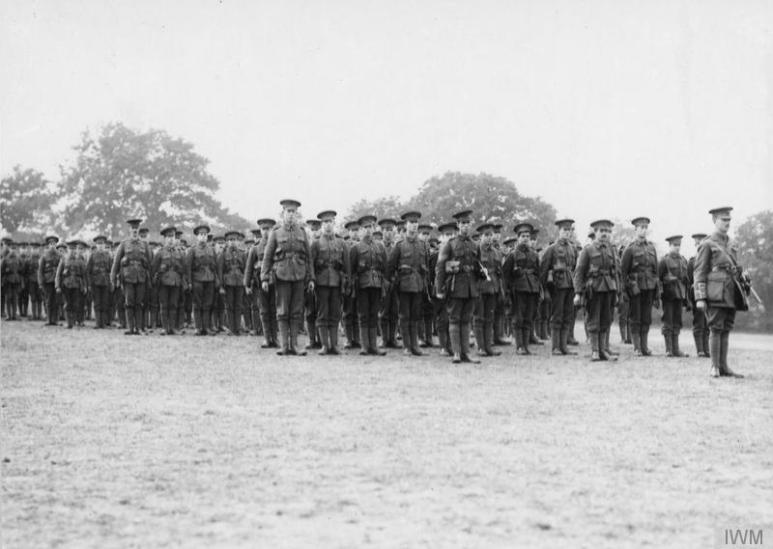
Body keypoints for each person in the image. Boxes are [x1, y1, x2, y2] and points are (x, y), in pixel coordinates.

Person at [693, 207, 749, 378]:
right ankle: (714, 366)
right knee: (716, 328)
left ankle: (724, 367)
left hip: (731, 291)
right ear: (714, 221)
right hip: (715, 291)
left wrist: (744, 275)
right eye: (723, 220)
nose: (727, 223)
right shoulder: (707, 244)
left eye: (729, 220)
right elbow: (699, 272)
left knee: (726, 328)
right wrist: (700, 297)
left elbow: (735, 268)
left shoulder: (732, 243)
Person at [261, 199, 314, 356]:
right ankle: (284, 346)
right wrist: (264, 277)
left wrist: (311, 278)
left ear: (297, 214)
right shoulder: (276, 233)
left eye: (293, 212)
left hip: (299, 275)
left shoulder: (302, 233)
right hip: (282, 275)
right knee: (283, 311)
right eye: (288, 212)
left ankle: (295, 345)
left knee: (296, 311)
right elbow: (267, 257)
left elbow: (309, 258)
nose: (291, 215)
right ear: (283, 214)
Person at [435, 210, 484, 364]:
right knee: (455, 319)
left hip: (471, 288)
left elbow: (479, 265)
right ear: (458, 225)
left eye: (468, 223)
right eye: (463, 223)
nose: (465, 226)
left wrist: (481, 276)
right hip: (455, 286)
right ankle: (456, 352)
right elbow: (440, 268)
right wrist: (439, 289)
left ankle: (466, 353)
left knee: (466, 320)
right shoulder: (450, 244)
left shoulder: (475, 245)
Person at [573, 219, 620, 361]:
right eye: (601, 231)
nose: (604, 234)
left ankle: (603, 351)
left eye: (607, 231)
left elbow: (615, 272)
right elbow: (579, 272)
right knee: (594, 319)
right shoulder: (588, 250)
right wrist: (577, 293)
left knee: (606, 319)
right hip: (593, 289)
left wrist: (617, 292)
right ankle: (595, 351)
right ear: (595, 232)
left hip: (609, 288)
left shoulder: (612, 249)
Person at [387, 211, 430, 356]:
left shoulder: (423, 245)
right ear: (406, 225)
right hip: (404, 286)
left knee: (416, 315)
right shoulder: (399, 245)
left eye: (416, 223)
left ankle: (415, 345)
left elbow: (426, 266)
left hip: (418, 285)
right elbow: (390, 268)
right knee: (405, 316)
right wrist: (395, 281)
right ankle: (407, 346)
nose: (414, 226)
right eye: (411, 223)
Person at [310, 210, 349, 355]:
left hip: (336, 282)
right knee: (322, 313)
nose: (328, 225)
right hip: (321, 283)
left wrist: (347, 281)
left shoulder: (341, 242)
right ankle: (325, 345)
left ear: (334, 223)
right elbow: (311, 265)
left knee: (335, 313)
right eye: (325, 222)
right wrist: (312, 280)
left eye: (330, 222)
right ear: (321, 225)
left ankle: (334, 345)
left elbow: (347, 265)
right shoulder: (316, 243)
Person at [349, 215, 388, 356]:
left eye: (370, 227)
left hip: (377, 284)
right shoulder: (356, 248)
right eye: (365, 227)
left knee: (374, 314)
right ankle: (365, 346)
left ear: (374, 228)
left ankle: (374, 346)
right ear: (360, 230)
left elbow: (384, 267)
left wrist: (383, 282)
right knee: (363, 315)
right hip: (362, 285)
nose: (368, 230)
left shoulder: (380, 247)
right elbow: (351, 270)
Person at [621, 217, 659, 356]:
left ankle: (644, 346)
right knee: (635, 317)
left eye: (645, 227)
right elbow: (623, 272)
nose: (643, 230)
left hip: (649, 287)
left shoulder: (651, 248)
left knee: (646, 318)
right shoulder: (630, 249)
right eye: (640, 227)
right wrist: (625, 291)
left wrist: (657, 291)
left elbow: (656, 271)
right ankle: (636, 347)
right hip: (635, 288)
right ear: (635, 229)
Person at [540, 218, 578, 355]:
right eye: (565, 230)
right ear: (559, 231)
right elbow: (543, 270)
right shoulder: (552, 249)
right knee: (557, 315)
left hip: (569, 285)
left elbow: (574, 268)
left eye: (569, 230)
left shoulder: (573, 248)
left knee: (567, 315)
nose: (567, 233)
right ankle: (556, 347)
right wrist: (544, 290)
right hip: (557, 286)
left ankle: (564, 346)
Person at [503, 222, 541, 355]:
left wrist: (539, 288)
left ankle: (526, 345)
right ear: (518, 237)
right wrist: (507, 293)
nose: (525, 238)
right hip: (518, 290)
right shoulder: (512, 255)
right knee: (518, 318)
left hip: (532, 289)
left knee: (529, 317)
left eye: (527, 236)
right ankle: (519, 346)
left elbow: (538, 272)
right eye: (523, 236)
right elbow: (505, 275)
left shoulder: (534, 254)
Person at [111, 218, 152, 335]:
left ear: (139, 230)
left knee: (139, 302)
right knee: (129, 302)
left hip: (141, 277)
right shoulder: (124, 244)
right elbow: (116, 262)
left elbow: (150, 263)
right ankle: (130, 328)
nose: (135, 231)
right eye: (133, 229)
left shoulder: (144, 244)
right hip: (128, 277)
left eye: (136, 229)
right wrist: (113, 278)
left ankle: (139, 328)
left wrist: (150, 276)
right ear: (129, 230)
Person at [245, 218, 278, 348]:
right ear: (260, 230)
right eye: (263, 229)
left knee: (274, 310)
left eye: (268, 229)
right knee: (264, 311)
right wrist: (247, 284)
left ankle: (274, 338)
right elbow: (248, 268)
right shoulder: (255, 249)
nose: (266, 232)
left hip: (275, 282)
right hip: (260, 284)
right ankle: (266, 337)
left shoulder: (277, 246)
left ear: (272, 230)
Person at [473, 223, 503, 357]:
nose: (489, 238)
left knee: (490, 318)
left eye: (491, 235)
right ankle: (480, 347)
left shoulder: (496, 252)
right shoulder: (475, 251)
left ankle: (488, 346)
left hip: (493, 287)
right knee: (479, 318)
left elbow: (499, 271)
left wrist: (500, 288)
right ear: (480, 236)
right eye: (486, 235)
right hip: (479, 287)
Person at [658, 235, 690, 357]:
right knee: (668, 321)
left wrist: (686, 297)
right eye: (674, 245)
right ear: (669, 246)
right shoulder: (664, 261)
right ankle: (669, 349)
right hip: (668, 295)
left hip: (679, 295)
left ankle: (676, 349)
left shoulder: (683, 260)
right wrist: (660, 294)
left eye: (678, 245)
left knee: (677, 321)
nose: (677, 247)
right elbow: (659, 280)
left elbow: (686, 280)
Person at [153, 226, 187, 335]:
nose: (171, 239)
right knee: (164, 305)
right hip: (163, 282)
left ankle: (172, 328)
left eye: (172, 236)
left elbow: (184, 268)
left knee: (173, 304)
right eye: (168, 237)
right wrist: (160, 270)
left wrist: (180, 272)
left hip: (176, 281)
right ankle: (164, 327)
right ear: (164, 239)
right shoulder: (160, 253)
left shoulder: (180, 253)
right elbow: (153, 268)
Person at [218, 230, 247, 335]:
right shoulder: (223, 255)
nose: (232, 242)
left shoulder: (242, 254)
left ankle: (238, 327)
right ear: (227, 242)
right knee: (229, 306)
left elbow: (245, 269)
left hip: (239, 282)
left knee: (238, 305)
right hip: (228, 283)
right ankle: (231, 328)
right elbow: (220, 271)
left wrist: (246, 283)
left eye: (234, 240)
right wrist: (221, 286)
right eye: (230, 240)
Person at [687, 233, 710, 358]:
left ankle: (706, 349)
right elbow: (689, 281)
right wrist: (691, 300)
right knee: (698, 323)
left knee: (707, 324)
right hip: (697, 295)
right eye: (697, 242)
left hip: (710, 294)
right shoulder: (692, 261)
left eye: (701, 242)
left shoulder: (710, 260)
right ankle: (700, 350)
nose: (699, 244)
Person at [55, 240, 88, 329]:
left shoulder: (80, 261)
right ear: (67, 250)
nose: (72, 251)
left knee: (76, 304)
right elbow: (58, 274)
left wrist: (85, 286)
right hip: (66, 285)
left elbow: (84, 275)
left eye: (74, 249)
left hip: (77, 285)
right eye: (70, 249)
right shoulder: (64, 260)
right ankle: (69, 322)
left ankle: (75, 321)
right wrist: (57, 286)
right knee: (67, 303)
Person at [86, 235, 113, 329]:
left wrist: (111, 282)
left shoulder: (108, 256)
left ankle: (103, 323)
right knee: (97, 302)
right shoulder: (92, 256)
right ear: (96, 245)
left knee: (105, 302)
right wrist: (89, 284)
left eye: (102, 244)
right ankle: (98, 323)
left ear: (104, 244)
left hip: (105, 281)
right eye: (98, 244)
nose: (100, 245)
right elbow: (88, 271)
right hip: (95, 282)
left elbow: (111, 270)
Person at [0, 239, 22, 320]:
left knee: (15, 298)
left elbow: (22, 269)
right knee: (8, 298)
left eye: (14, 249)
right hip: (8, 281)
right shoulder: (5, 259)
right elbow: (1, 271)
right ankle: (9, 315)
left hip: (16, 281)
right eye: (11, 248)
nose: (13, 250)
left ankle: (14, 315)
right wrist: (6, 274)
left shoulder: (18, 259)